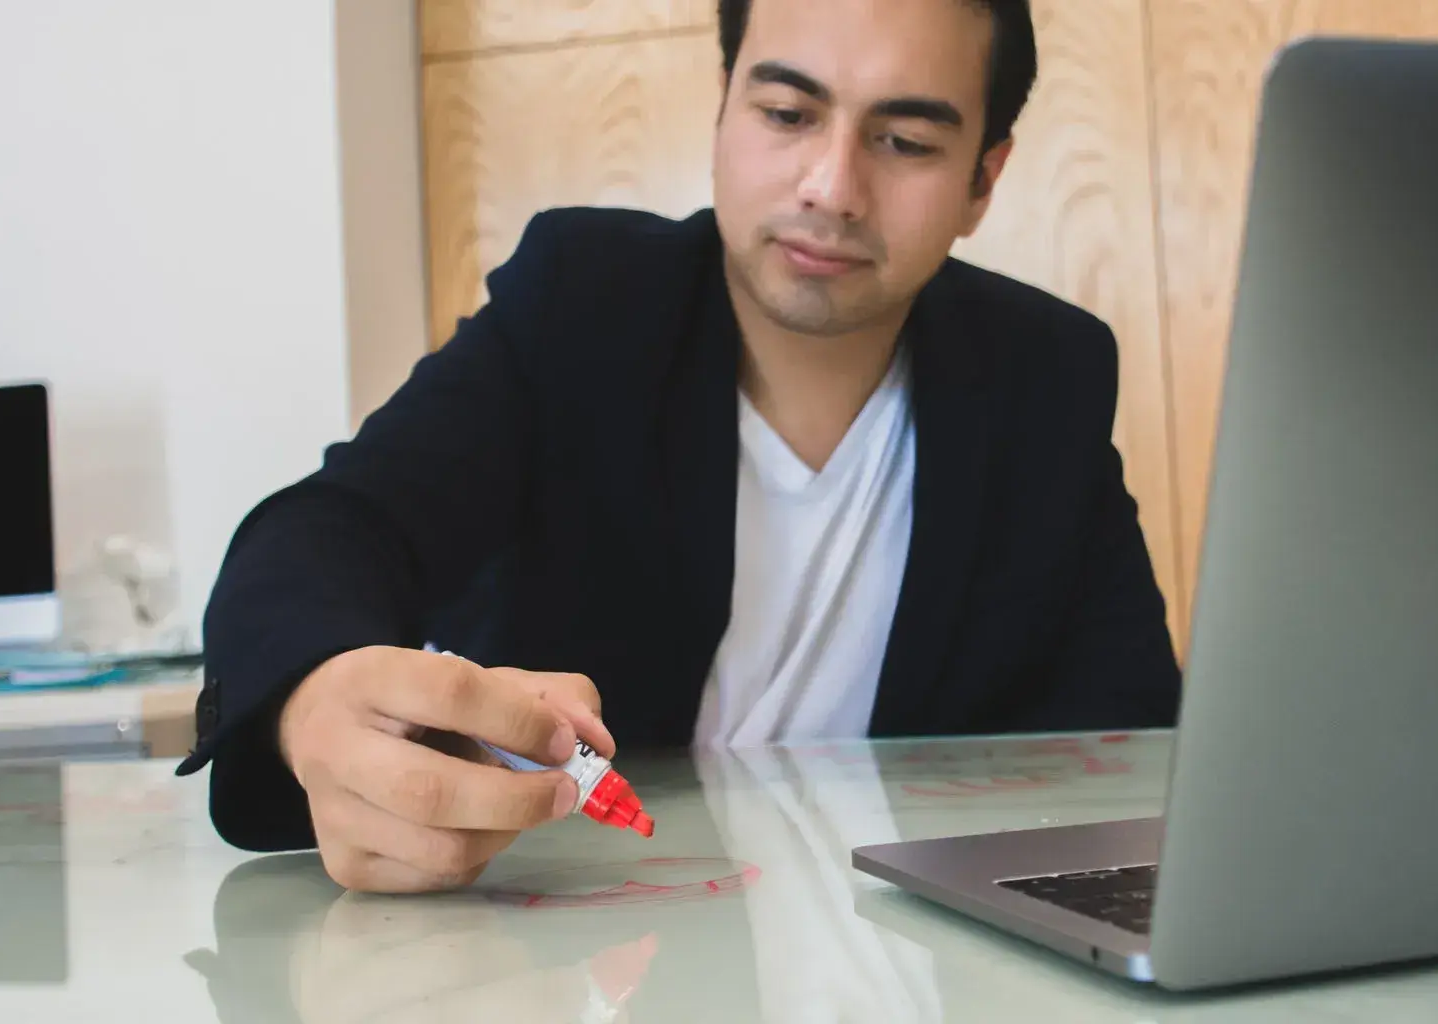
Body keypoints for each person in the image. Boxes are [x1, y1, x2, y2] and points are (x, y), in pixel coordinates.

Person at [175, 0, 1181, 893]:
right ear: (723, 106)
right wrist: (312, 700)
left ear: (982, 181)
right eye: (787, 115)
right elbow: (330, 529)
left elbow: (1140, 731)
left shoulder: (1048, 375)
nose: (832, 185)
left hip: (917, 946)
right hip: (593, 941)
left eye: (907, 140)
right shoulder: (584, 303)